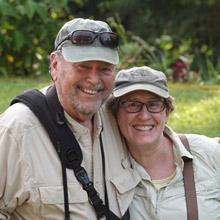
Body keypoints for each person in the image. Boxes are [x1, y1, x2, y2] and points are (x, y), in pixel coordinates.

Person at [0, 18, 138, 220]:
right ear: (55, 65)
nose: (94, 79)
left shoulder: (120, 118)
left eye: (105, 68)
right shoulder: (17, 130)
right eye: (83, 66)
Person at [107, 66, 220, 220]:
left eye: (154, 104)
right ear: (115, 113)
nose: (144, 116)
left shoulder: (208, 153)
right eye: (132, 105)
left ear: (167, 112)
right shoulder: (106, 168)